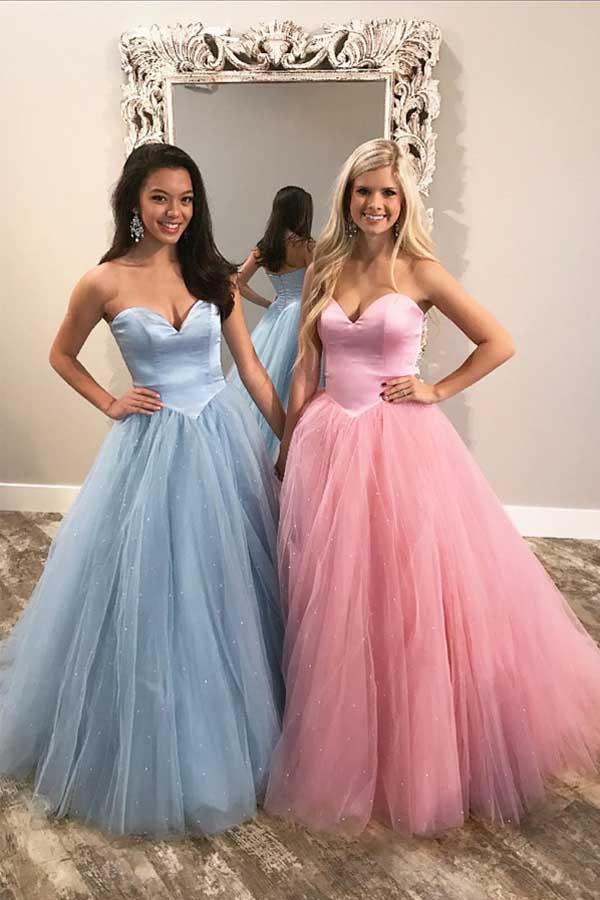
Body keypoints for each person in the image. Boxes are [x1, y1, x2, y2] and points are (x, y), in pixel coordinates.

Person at [265, 138, 600, 836]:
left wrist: (436, 388)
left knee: (407, 589)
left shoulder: (421, 271)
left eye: (388, 192)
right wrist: (291, 442)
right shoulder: (324, 266)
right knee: (337, 594)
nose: (376, 203)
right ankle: (348, 728)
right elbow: (304, 364)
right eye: (364, 191)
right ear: (347, 196)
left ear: (404, 200)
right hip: (328, 440)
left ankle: (416, 742)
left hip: (400, 445)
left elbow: (497, 341)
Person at [0, 143, 285, 836]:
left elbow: (249, 367)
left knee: (229, 585)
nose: (174, 212)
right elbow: (61, 354)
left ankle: (241, 714)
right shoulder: (103, 281)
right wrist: (110, 401)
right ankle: (149, 729)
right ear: (134, 201)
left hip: (219, 441)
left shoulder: (213, 275)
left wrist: (292, 439)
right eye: (160, 198)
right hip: (151, 448)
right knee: (150, 587)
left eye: (185, 199)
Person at [228, 186, 314, 457]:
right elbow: (322, 286)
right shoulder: (307, 247)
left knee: (268, 378)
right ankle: (293, 449)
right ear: (303, 212)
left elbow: (236, 282)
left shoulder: (265, 248)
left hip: (276, 317)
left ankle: (262, 454)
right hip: (302, 315)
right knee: (300, 377)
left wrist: (268, 303)